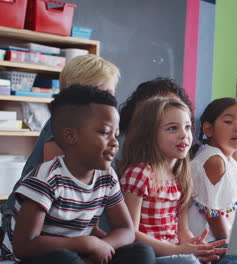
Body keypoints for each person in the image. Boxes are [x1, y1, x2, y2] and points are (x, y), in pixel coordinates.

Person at [0, 85, 154, 264]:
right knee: (64, 259)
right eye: (104, 133)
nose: (114, 142)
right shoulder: (46, 178)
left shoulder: (107, 177)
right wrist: (84, 243)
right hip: (30, 260)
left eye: (116, 134)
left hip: (80, 254)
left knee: (141, 252)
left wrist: (101, 245)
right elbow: (24, 246)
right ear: (70, 136)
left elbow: (126, 229)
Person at [117, 97, 226, 263]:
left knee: (227, 252)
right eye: (172, 128)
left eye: (188, 127)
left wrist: (196, 247)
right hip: (152, 255)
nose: (184, 135)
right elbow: (130, 232)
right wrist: (178, 251)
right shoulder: (140, 173)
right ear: (149, 135)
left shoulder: (180, 175)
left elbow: (182, 230)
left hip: (175, 252)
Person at [188, 97, 237, 263]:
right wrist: (235, 243)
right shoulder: (214, 160)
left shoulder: (229, 160)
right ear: (208, 129)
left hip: (219, 240)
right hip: (208, 244)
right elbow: (213, 215)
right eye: (229, 121)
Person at [115, 77, 194, 166]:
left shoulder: (177, 159)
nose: (184, 135)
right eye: (161, 104)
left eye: (187, 127)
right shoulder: (120, 147)